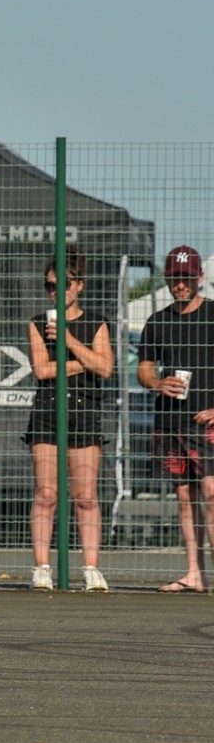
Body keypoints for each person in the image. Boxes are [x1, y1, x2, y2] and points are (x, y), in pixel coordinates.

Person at [22, 253, 113, 591]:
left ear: (78, 285)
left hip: (85, 413)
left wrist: (68, 340)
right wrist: (82, 362)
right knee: (46, 493)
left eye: (61, 285)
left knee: (86, 495)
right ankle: (42, 567)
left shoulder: (97, 323)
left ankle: (91, 569)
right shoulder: (36, 324)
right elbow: (43, 370)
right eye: (49, 286)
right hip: (48, 413)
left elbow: (106, 367)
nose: (55, 292)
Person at [137, 245, 214, 594]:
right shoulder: (158, 321)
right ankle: (194, 573)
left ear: (199, 277)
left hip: (207, 423)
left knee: (211, 493)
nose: (180, 285)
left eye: (186, 278)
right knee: (185, 497)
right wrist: (157, 382)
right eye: (174, 279)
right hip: (170, 423)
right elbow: (143, 369)